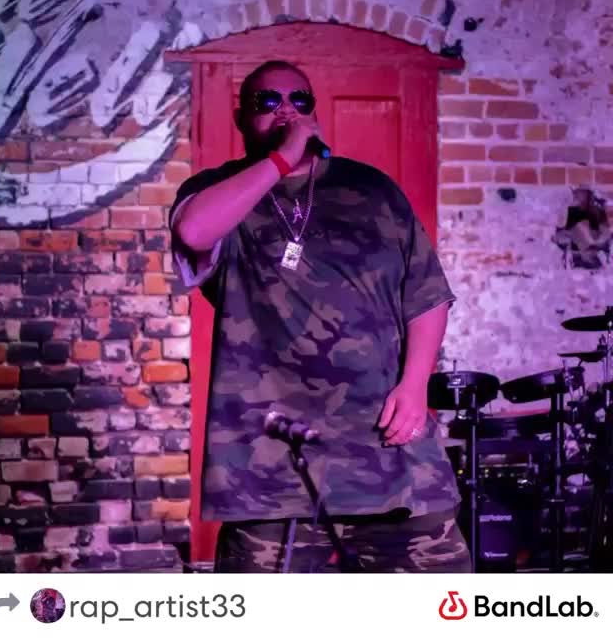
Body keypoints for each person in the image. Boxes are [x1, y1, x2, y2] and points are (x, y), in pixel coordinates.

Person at [169, 60, 471, 573]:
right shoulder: (220, 190)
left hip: (386, 451)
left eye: (299, 100)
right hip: (271, 464)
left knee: (443, 598)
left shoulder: (371, 190)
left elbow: (426, 297)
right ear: (242, 118)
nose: (285, 110)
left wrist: (415, 385)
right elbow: (194, 231)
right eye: (268, 101)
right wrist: (282, 159)